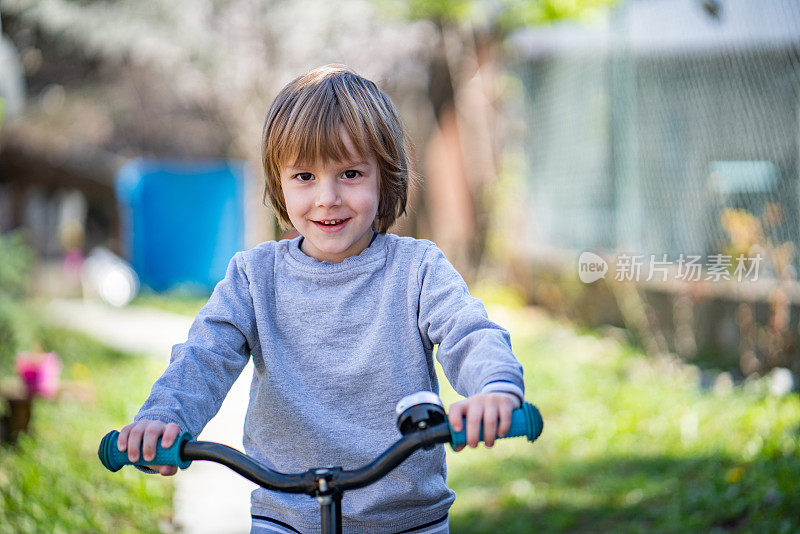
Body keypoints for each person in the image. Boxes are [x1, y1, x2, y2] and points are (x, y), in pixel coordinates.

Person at [116, 65, 525, 534]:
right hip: (286, 517)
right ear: (279, 182)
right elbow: (204, 357)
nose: (327, 198)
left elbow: (467, 331)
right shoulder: (254, 278)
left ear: (384, 177)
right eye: (305, 176)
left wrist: (495, 389)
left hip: (407, 519)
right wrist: (163, 420)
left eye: (350, 173)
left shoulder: (417, 270)